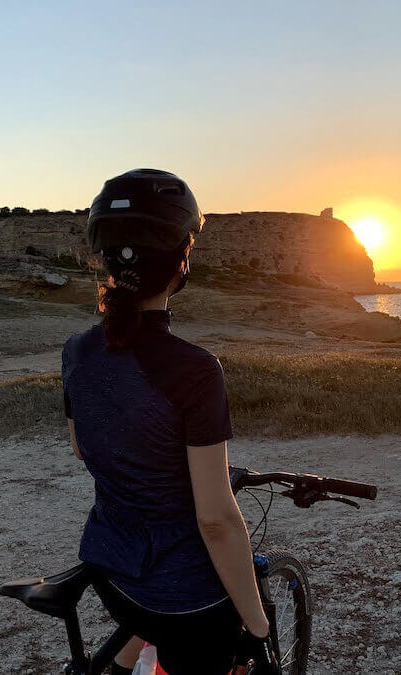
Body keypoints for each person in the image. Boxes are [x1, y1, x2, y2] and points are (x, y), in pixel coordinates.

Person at [61, 169, 278, 674]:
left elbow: (83, 447)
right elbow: (216, 520)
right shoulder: (194, 370)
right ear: (181, 262)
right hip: (183, 599)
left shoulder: (78, 351)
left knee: (145, 624)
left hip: (111, 573)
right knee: (230, 635)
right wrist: (259, 626)